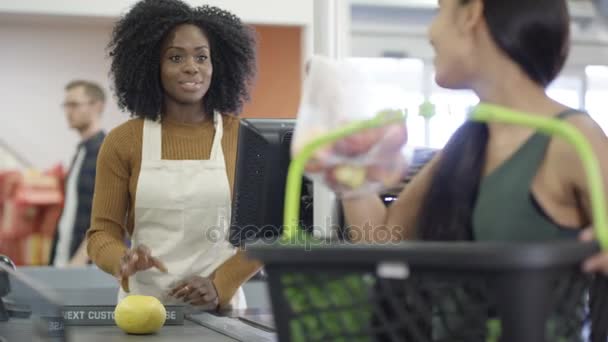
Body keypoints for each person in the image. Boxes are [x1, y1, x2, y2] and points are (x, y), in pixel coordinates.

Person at [343, 0, 608, 271]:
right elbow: (384, 242)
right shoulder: (468, 142)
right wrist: (348, 175)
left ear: (471, 14)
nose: (430, 33)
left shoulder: (573, 139)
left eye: (440, 11)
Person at [86, 0, 260, 310]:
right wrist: (122, 260)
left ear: (217, 64)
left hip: (223, 317)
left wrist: (221, 284)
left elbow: (268, 235)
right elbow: (101, 233)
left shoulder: (245, 138)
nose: (191, 66)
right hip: (143, 310)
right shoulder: (123, 141)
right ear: (151, 65)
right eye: (175, 57)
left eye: (202, 57)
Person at [50, 80, 106, 267]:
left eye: (73, 104)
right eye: (66, 105)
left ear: (97, 106)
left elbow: (109, 216)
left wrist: (80, 260)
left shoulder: (105, 152)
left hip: (83, 265)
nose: (68, 111)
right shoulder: (81, 152)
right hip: (64, 257)